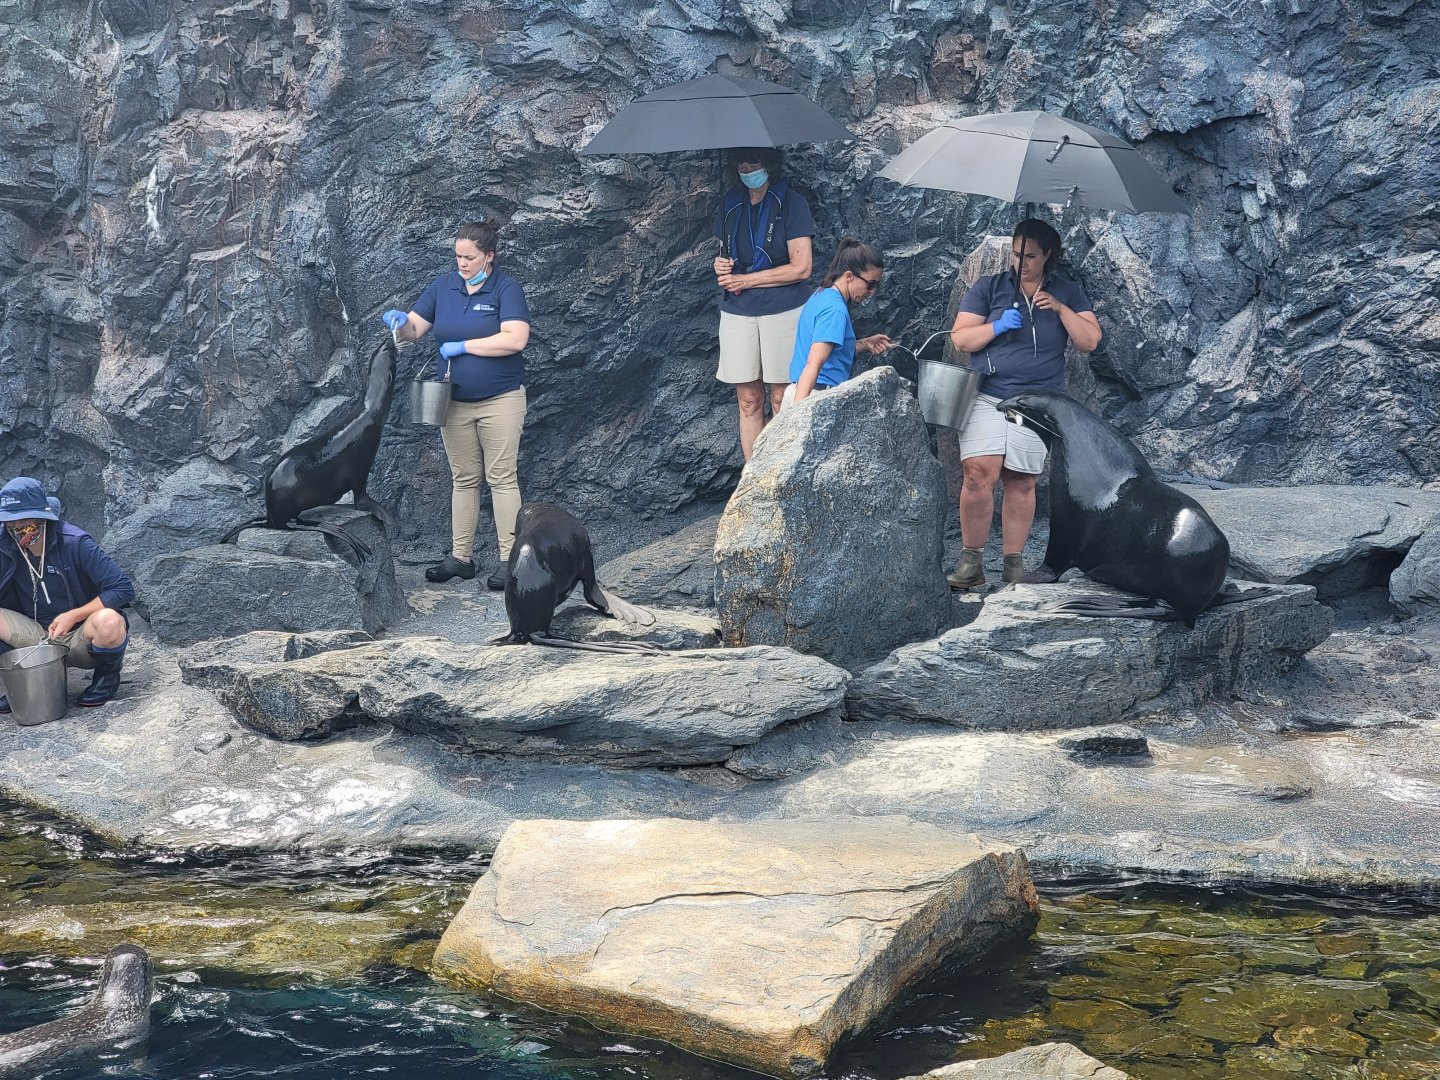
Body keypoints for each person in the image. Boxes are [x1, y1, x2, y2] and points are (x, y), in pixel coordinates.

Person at [946, 218, 1102, 589]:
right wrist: (996, 327)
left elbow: (1090, 341)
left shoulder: (1067, 292)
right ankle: (972, 562)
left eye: (1030, 256)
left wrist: (1062, 309)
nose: (1021, 263)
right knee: (977, 474)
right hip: (987, 393)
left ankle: (1013, 566)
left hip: (1036, 401)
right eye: (1016, 254)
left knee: (1021, 479)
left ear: (1048, 255)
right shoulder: (990, 288)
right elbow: (961, 339)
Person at [383, 219, 532, 590]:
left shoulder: (506, 288)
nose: (462, 263)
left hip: (501, 399)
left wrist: (465, 347)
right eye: (458, 256)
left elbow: (516, 339)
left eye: (470, 257)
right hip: (456, 402)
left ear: (489, 256)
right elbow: (415, 331)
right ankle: (460, 558)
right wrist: (400, 324)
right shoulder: (443, 287)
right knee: (464, 478)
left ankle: (508, 561)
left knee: (501, 478)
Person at [712, 147, 815, 460]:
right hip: (738, 311)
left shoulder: (792, 204)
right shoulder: (730, 204)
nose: (747, 169)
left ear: (769, 164)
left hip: (783, 310)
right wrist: (720, 266)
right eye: (741, 164)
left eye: (753, 163)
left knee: (782, 396)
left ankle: (782, 472)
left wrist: (747, 281)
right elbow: (725, 253)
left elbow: (802, 267)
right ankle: (753, 481)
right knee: (748, 399)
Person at [0, 477, 134, 710]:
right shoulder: (5, 544)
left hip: (79, 637)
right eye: (10, 522)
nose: (17, 528)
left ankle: (106, 678)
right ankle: (19, 682)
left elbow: (123, 588)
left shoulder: (74, 542)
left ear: (42, 517)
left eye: (23, 521)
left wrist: (74, 615)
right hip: (34, 636)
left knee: (110, 621)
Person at [787, 239, 894, 404]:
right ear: (849, 276)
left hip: (801, 390)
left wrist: (865, 344)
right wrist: (797, 415)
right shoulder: (835, 310)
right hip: (814, 396)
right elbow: (814, 363)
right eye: (870, 284)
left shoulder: (821, 294)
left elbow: (831, 349)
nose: (872, 292)